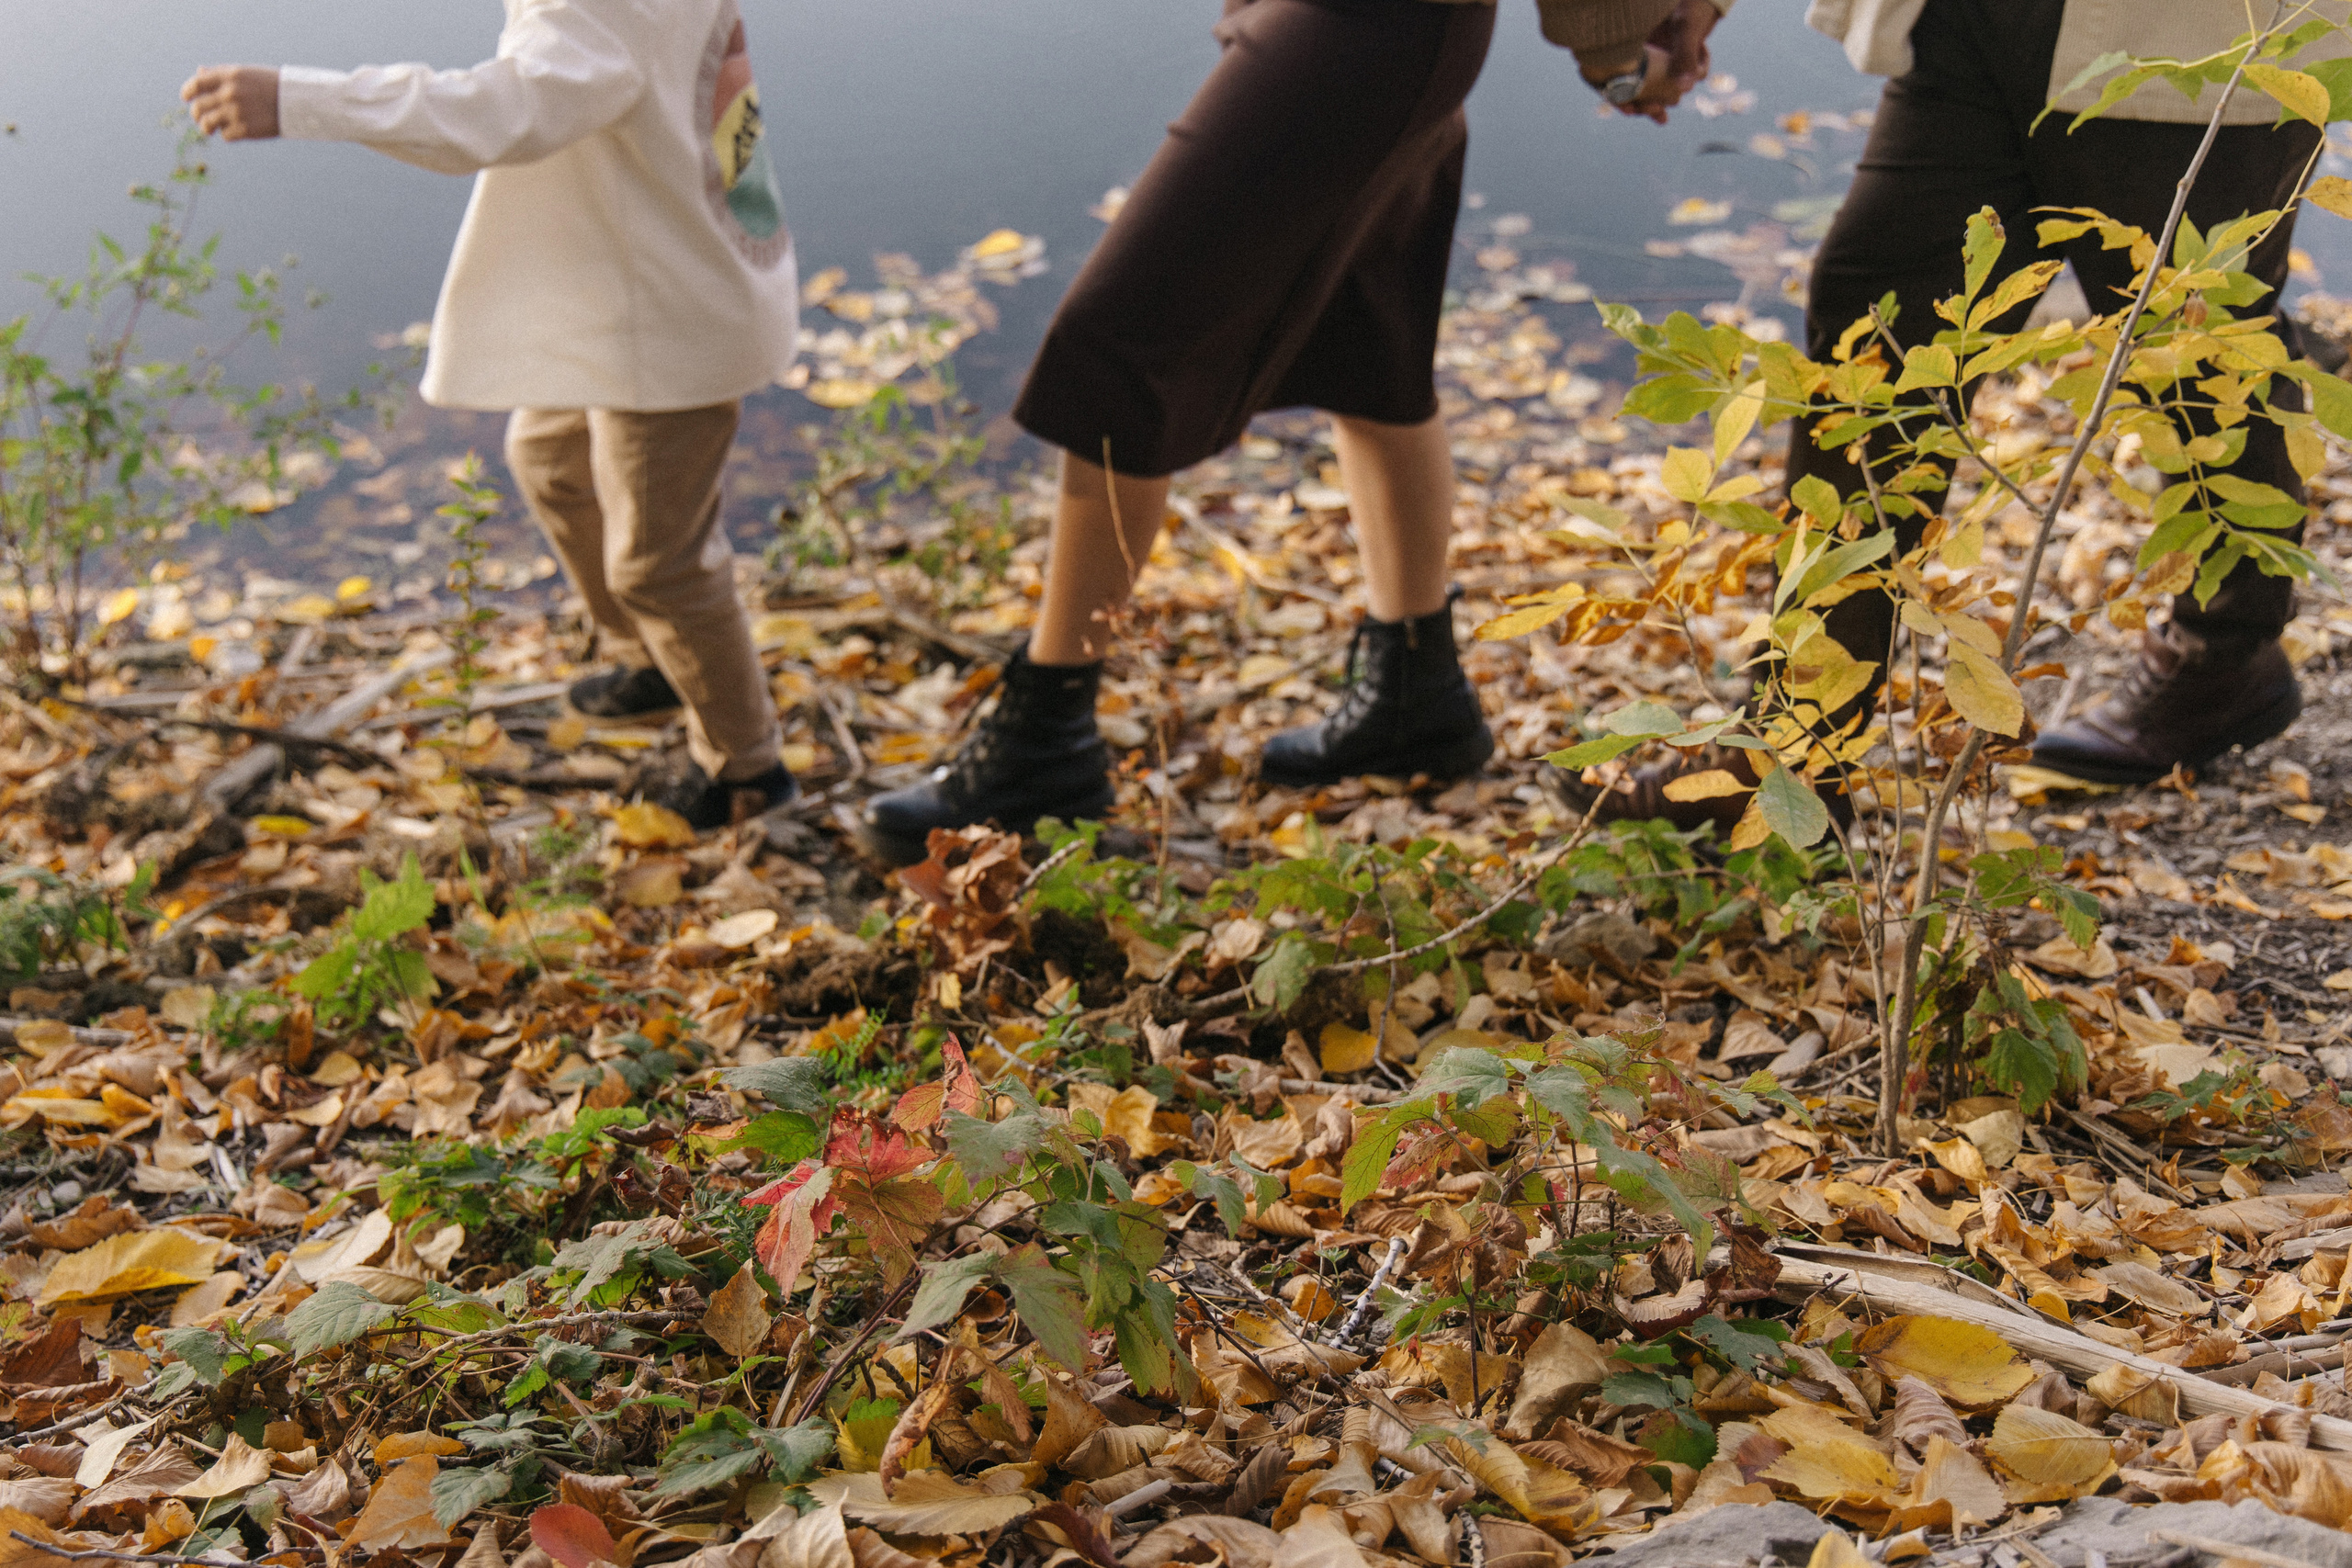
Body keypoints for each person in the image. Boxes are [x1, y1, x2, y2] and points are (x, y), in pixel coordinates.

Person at [856, 0, 1737, 867]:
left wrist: (1617, 40)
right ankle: (1414, 692)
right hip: (1377, 29)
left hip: (1372, 25)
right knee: (1370, 337)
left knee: (1118, 350)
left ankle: (1041, 744)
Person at [1596, 0, 2339, 828]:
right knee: (1874, 327)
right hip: (1966, 20)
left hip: (2191, 32)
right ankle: (1800, 742)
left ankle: (2222, 657)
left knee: (2195, 343)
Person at [181, 0, 803, 831]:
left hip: (669, 317)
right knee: (549, 462)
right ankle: (653, 659)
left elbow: (495, 114)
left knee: (659, 563)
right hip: (634, 276)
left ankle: (747, 765)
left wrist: (301, 99)